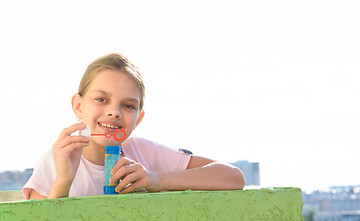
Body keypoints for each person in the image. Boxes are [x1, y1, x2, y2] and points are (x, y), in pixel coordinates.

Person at [23, 53, 245, 199]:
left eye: (128, 106)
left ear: (138, 119)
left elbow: (233, 177)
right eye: (101, 99)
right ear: (78, 105)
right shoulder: (54, 161)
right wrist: (63, 180)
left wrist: (156, 179)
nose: (114, 111)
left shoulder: (143, 152)